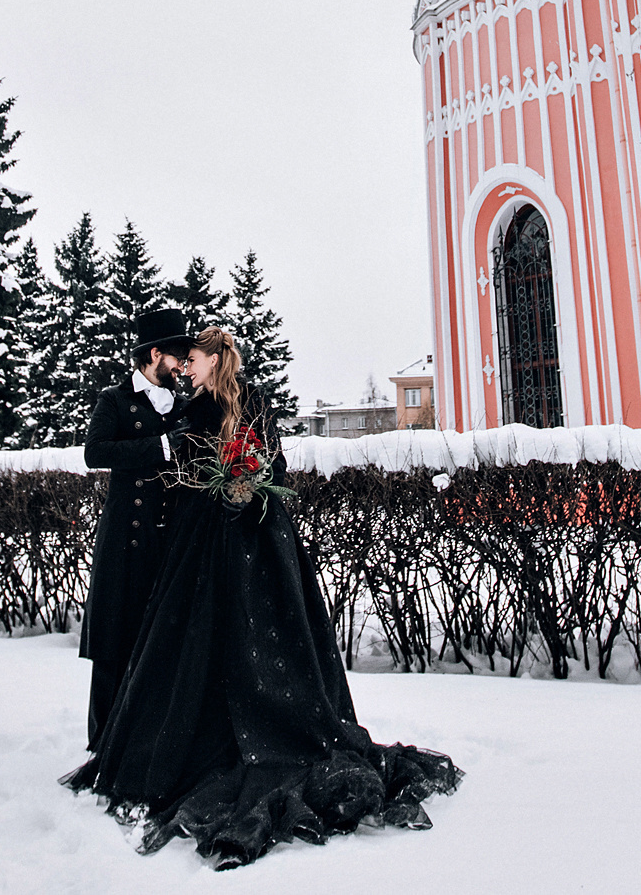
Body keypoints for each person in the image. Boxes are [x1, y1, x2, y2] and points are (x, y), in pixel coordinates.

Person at [65, 325, 461, 868]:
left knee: (254, 643)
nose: (186, 368)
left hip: (249, 538)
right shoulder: (189, 405)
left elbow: (268, 459)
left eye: (194, 360)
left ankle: (259, 733)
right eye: (182, 361)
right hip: (199, 538)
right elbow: (178, 466)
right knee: (193, 645)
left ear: (214, 359)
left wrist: (243, 483)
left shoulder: (248, 399)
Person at [77, 307, 197, 751]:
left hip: (170, 541)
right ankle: (102, 746)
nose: (183, 362)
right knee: (113, 644)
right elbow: (95, 453)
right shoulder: (114, 399)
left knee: (162, 646)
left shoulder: (184, 405)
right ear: (154, 354)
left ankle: (149, 744)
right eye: (178, 354)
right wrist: (161, 446)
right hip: (126, 539)